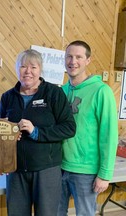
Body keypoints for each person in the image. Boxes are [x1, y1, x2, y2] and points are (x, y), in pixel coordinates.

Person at [0, 49, 76, 216]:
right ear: (17, 69)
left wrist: (36, 132)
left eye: (33, 67)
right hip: (15, 170)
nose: (28, 71)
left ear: (40, 70)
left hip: (46, 170)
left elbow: (69, 128)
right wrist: (8, 138)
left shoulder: (53, 93)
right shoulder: (7, 97)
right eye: (23, 66)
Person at [57, 40, 119, 216]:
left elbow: (109, 135)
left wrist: (105, 174)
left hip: (86, 171)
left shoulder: (101, 91)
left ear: (88, 60)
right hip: (59, 167)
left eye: (78, 57)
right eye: (69, 56)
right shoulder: (61, 92)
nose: (72, 61)